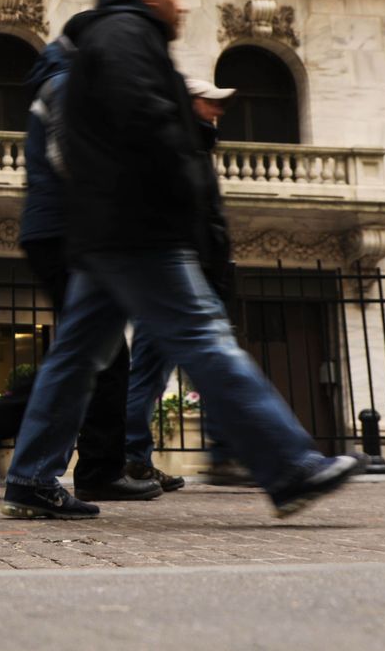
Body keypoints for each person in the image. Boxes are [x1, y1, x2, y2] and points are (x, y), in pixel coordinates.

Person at [0, 0, 361, 520]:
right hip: (138, 222)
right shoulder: (126, 34)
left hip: (107, 226)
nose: (183, 2)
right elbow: (142, 120)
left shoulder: (110, 38)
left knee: (76, 357)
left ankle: (30, 478)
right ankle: (290, 464)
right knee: (203, 335)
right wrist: (179, 189)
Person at [0, 31, 159, 507]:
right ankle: (89, 469)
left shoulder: (62, 81)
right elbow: (72, 159)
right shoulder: (64, 84)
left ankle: (73, 461)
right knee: (94, 353)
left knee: (93, 351)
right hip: (66, 233)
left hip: (61, 231)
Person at [123, 76, 238, 492]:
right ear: (188, 104)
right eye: (210, 101)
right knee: (215, 365)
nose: (218, 110)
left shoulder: (194, 146)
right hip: (183, 277)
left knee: (150, 375)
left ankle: (135, 457)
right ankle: (226, 453)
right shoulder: (179, 145)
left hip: (183, 275)